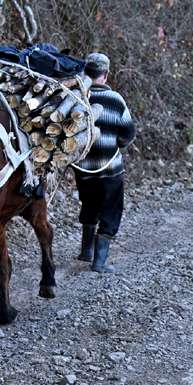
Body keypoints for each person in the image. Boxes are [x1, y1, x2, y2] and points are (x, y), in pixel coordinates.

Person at [72, 53, 137, 273]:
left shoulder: (76, 97)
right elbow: (128, 133)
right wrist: (115, 143)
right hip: (110, 168)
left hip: (82, 168)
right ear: (107, 74)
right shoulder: (116, 100)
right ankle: (99, 262)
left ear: (85, 72)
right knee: (111, 208)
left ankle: (86, 251)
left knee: (89, 203)